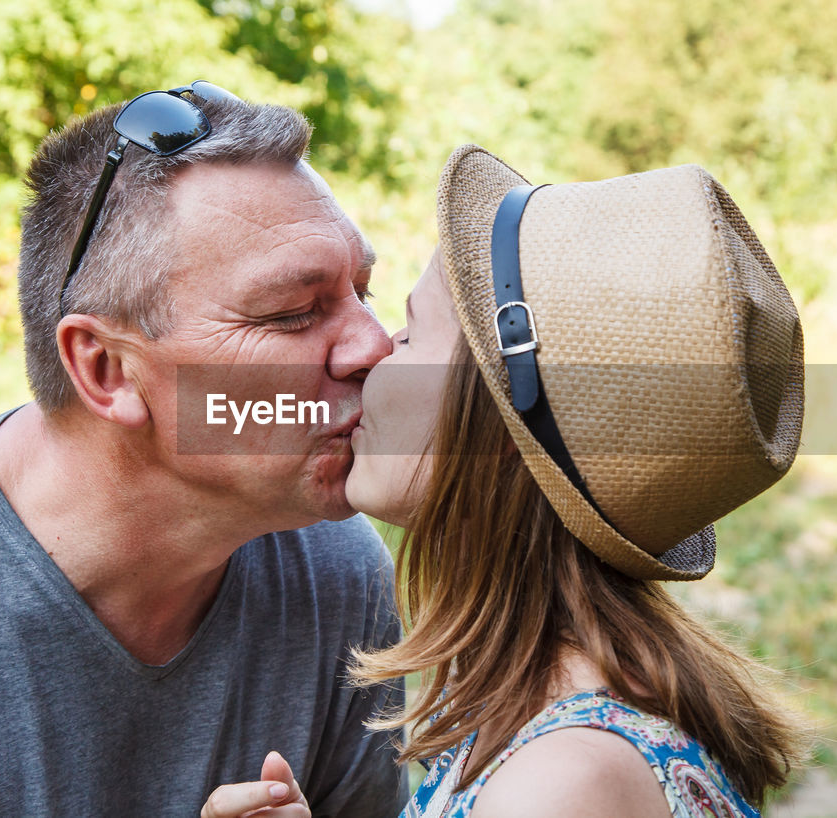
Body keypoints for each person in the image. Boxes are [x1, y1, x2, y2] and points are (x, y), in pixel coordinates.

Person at [0, 83, 408, 816]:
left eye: (362, 293)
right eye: (290, 312)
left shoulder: (334, 576)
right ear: (106, 369)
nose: (373, 345)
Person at [343, 144, 810, 817]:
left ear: (498, 437)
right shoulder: (549, 706)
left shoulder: (558, 786)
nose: (371, 355)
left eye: (410, 336)